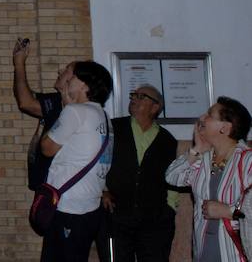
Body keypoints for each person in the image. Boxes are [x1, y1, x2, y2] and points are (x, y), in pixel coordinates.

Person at [39, 60, 113, 262]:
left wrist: (65, 110)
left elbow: (46, 148)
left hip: (68, 206)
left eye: (73, 76)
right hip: (90, 207)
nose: (68, 79)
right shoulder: (103, 116)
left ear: (85, 85)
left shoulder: (75, 112)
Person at [166, 96, 252, 261]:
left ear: (225, 128)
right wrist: (197, 148)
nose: (202, 118)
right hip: (204, 251)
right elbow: (172, 177)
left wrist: (229, 211)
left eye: (210, 115)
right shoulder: (203, 158)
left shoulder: (247, 160)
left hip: (236, 254)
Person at [102, 84, 178, 262]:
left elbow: (173, 176)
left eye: (141, 96)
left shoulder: (167, 140)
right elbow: (99, 162)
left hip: (154, 220)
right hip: (117, 215)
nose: (134, 99)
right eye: (133, 95)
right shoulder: (113, 128)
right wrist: (102, 189)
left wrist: (170, 208)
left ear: (155, 106)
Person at [11, 38, 76, 190]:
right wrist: (19, 63)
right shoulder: (57, 100)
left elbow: (26, 103)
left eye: (67, 70)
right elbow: (25, 97)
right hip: (46, 183)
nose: (60, 71)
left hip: (59, 187)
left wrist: (19, 64)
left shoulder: (77, 109)